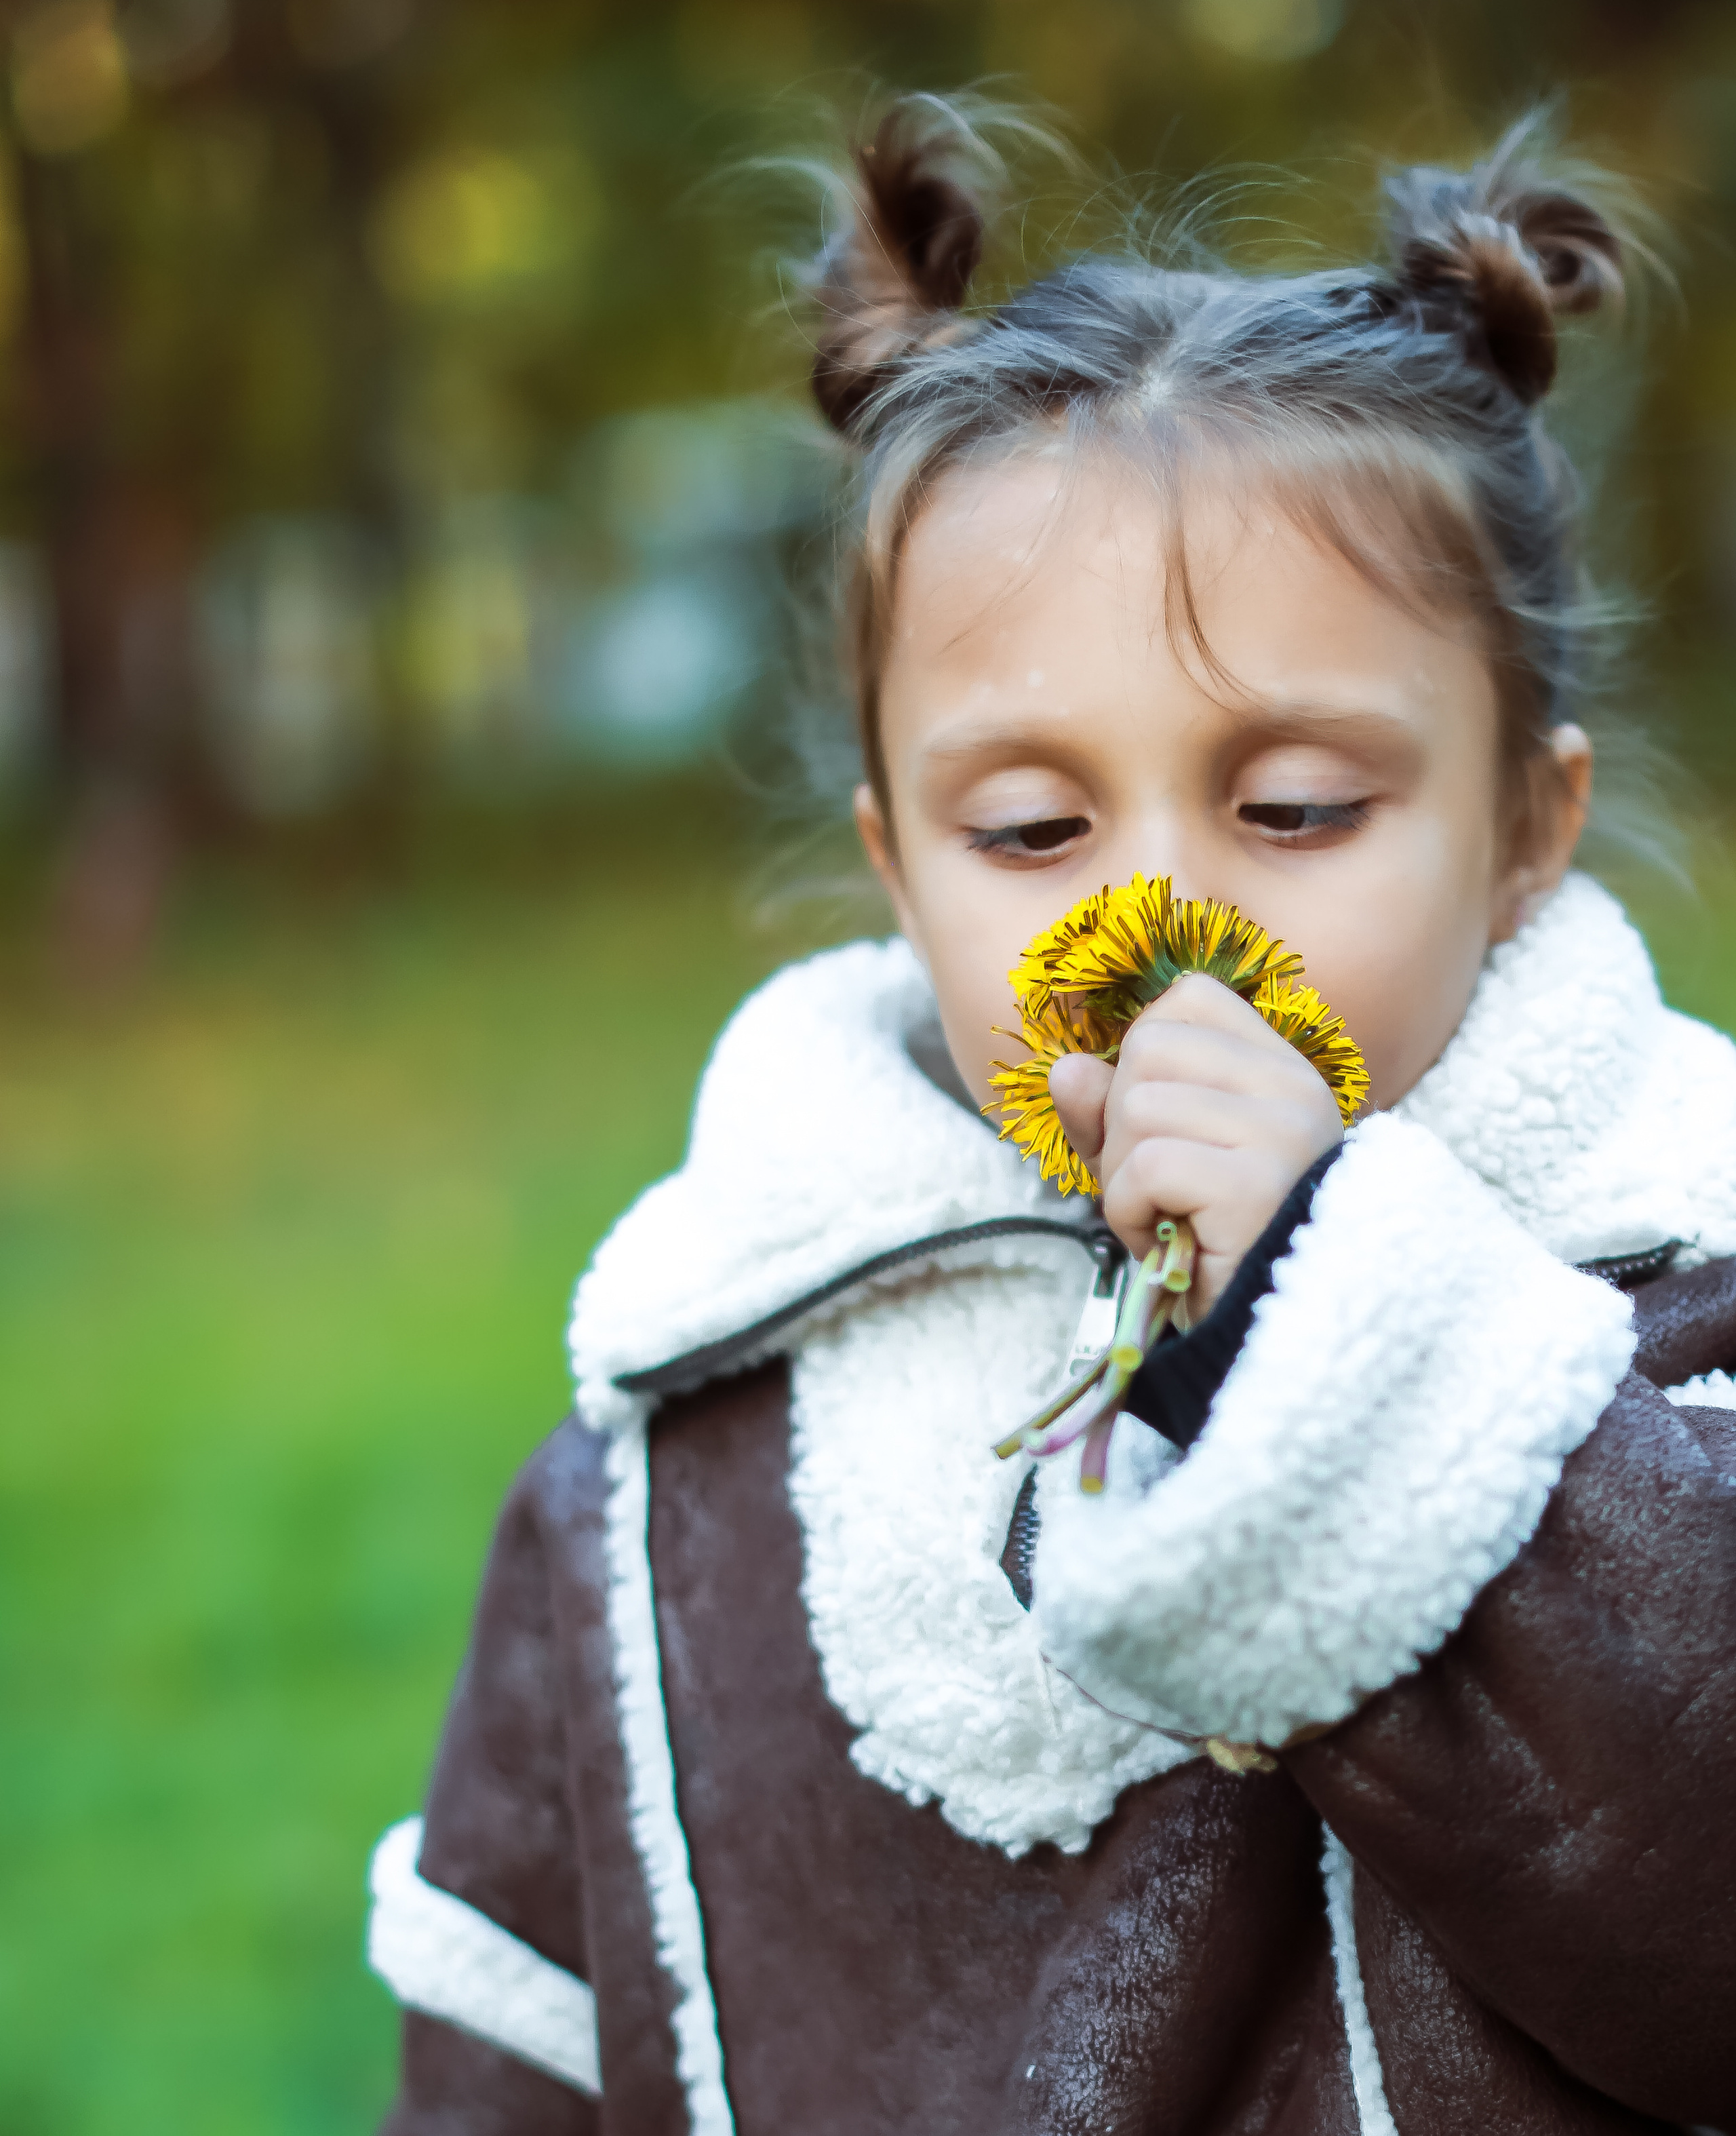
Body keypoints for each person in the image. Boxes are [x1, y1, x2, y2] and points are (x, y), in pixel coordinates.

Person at [366, 98, 1736, 2135]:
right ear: (898, 869)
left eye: (1297, 809)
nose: (1158, 917)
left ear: (1529, 825)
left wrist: (1330, 1314)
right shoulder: (670, 1469)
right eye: (1028, 829)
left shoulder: (1672, 1297)